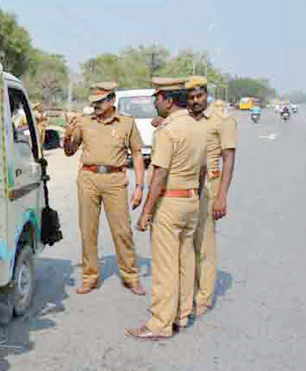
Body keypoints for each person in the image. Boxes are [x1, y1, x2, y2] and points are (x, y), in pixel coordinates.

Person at [128, 77, 206, 340]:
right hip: (191, 200)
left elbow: (159, 173)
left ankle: (159, 323)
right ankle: (181, 316)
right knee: (186, 260)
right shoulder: (198, 127)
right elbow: (203, 170)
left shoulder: (167, 131)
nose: (154, 102)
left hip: (170, 202)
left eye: (157, 97)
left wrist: (147, 211)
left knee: (164, 266)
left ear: (169, 100)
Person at [63, 82, 147, 296]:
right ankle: (90, 276)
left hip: (115, 180)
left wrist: (139, 186)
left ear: (112, 100)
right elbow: (69, 152)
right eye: (93, 103)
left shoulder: (127, 123)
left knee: (122, 230)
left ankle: (130, 276)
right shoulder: (84, 122)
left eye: (100, 102)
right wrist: (68, 135)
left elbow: (137, 154)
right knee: (87, 229)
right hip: (88, 178)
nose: (96, 107)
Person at [186, 76, 237, 317]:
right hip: (185, 186)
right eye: (192, 97)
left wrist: (222, 197)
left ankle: (204, 297)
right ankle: (188, 291)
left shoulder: (221, 120)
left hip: (209, 186)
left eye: (199, 96)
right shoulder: (184, 118)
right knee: (186, 243)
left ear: (206, 95)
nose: (196, 101)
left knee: (204, 244)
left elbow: (228, 159)